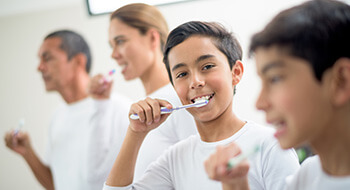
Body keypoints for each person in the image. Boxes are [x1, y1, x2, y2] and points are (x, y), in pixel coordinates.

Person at [103, 21, 300, 190]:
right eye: (182, 74)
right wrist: (135, 133)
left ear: (236, 72)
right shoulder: (175, 158)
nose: (195, 82)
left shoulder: (270, 146)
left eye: (207, 67)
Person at [204, 0, 350, 189]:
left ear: (341, 82)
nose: (259, 103)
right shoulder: (308, 176)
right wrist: (235, 184)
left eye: (275, 79)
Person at [4, 30, 131, 190]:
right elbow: (55, 184)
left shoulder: (119, 109)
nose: (39, 67)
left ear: (78, 61)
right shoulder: (57, 117)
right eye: (39, 59)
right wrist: (27, 152)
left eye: (47, 58)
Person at [89, 3, 197, 180]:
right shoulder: (140, 113)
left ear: (153, 38)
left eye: (120, 41)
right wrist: (99, 104)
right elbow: (99, 176)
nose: (113, 54)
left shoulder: (180, 100)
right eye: (111, 46)